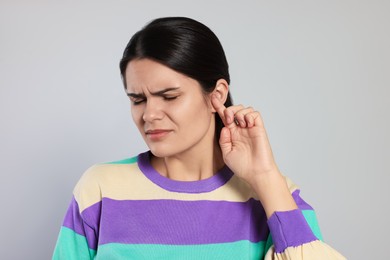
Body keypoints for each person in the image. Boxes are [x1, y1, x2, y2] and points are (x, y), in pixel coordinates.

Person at [53, 17, 345, 259]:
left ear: (216, 95)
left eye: (169, 96)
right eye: (137, 99)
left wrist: (265, 176)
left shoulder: (275, 196)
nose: (149, 114)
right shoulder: (100, 189)